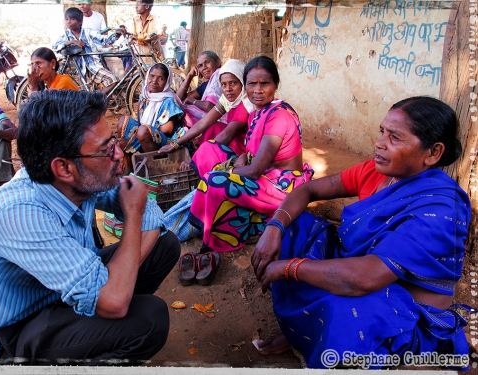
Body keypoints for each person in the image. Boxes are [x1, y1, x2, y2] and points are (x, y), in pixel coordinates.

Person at [251, 96, 472, 370]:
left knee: (344, 314)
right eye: (382, 132)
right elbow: (307, 190)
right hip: (364, 276)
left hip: (404, 312)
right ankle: (304, 331)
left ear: (433, 153)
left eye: (395, 137)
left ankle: (328, 336)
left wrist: (289, 268)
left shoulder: (439, 208)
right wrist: (274, 227)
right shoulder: (378, 172)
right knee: (292, 227)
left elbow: (366, 278)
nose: (380, 143)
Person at [0, 89, 181, 366]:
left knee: (165, 244)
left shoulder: (82, 177)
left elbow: (151, 212)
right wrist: (132, 218)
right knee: (149, 320)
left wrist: (116, 285)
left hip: (62, 300)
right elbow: (139, 210)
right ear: (63, 168)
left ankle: (99, 317)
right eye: (106, 149)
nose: (118, 155)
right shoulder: (19, 214)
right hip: (17, 334)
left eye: (114, 143)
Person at [188, 56, 313, 254]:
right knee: (209, 150)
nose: (257, 90)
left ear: (276, 84)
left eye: (265, 83)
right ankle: (233, 212)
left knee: (215, 180)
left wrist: (232, 169)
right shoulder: (257, 112)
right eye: (252, 84)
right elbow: (252, 152)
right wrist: (241, 159)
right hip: (264, 174)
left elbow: (255, 171)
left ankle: (224, 235)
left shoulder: (279, 115)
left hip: (280, 185)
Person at [158, 59, 254, 158]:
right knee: (213, 127)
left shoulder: (247, 103)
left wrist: (196, 159)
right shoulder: (227, 100)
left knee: (218, 132)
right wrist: (175, 144)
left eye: (233, 83)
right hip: (235, 140)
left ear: (243, 81)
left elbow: (227, 134)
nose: (228, 89)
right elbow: (203, 122)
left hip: (247, 150)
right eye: (224, 84)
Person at [117, 62, 183, 169]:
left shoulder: (169, 101)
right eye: (152, 76)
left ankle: (157, 167)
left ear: (167, 82)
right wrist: (135, 135)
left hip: (166, 142)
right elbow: (140, 121)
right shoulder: (145, 96)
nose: (154, 81)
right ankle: (128, 163)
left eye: (160, 78)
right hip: (145, 136)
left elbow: (167, 131)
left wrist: (131, 139)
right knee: (123, 121)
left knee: (143, 130)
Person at [52, 7, 121, 96]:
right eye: (67, 19)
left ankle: (98, 97)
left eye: (72, 19)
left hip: (94, 66)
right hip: (81, 70)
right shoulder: (66, 35)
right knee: (87, 94)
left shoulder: (88, 32)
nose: (68, 22)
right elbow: (54, 46)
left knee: (112, 79)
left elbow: (104, 40)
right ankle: (96, 100)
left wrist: (117, 34)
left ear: (80, 22)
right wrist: (71, 42)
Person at [174, 51, 227, 146]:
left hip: (223, 124)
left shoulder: (220, 76)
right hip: (210, 124)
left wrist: (193, 101)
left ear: (218, 62)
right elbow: (178, 99)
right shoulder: (205, 86)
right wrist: (189, 76)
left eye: (207, 62)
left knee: (182, 111)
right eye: (200, 66)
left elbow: (209, 106)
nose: (204, 67)